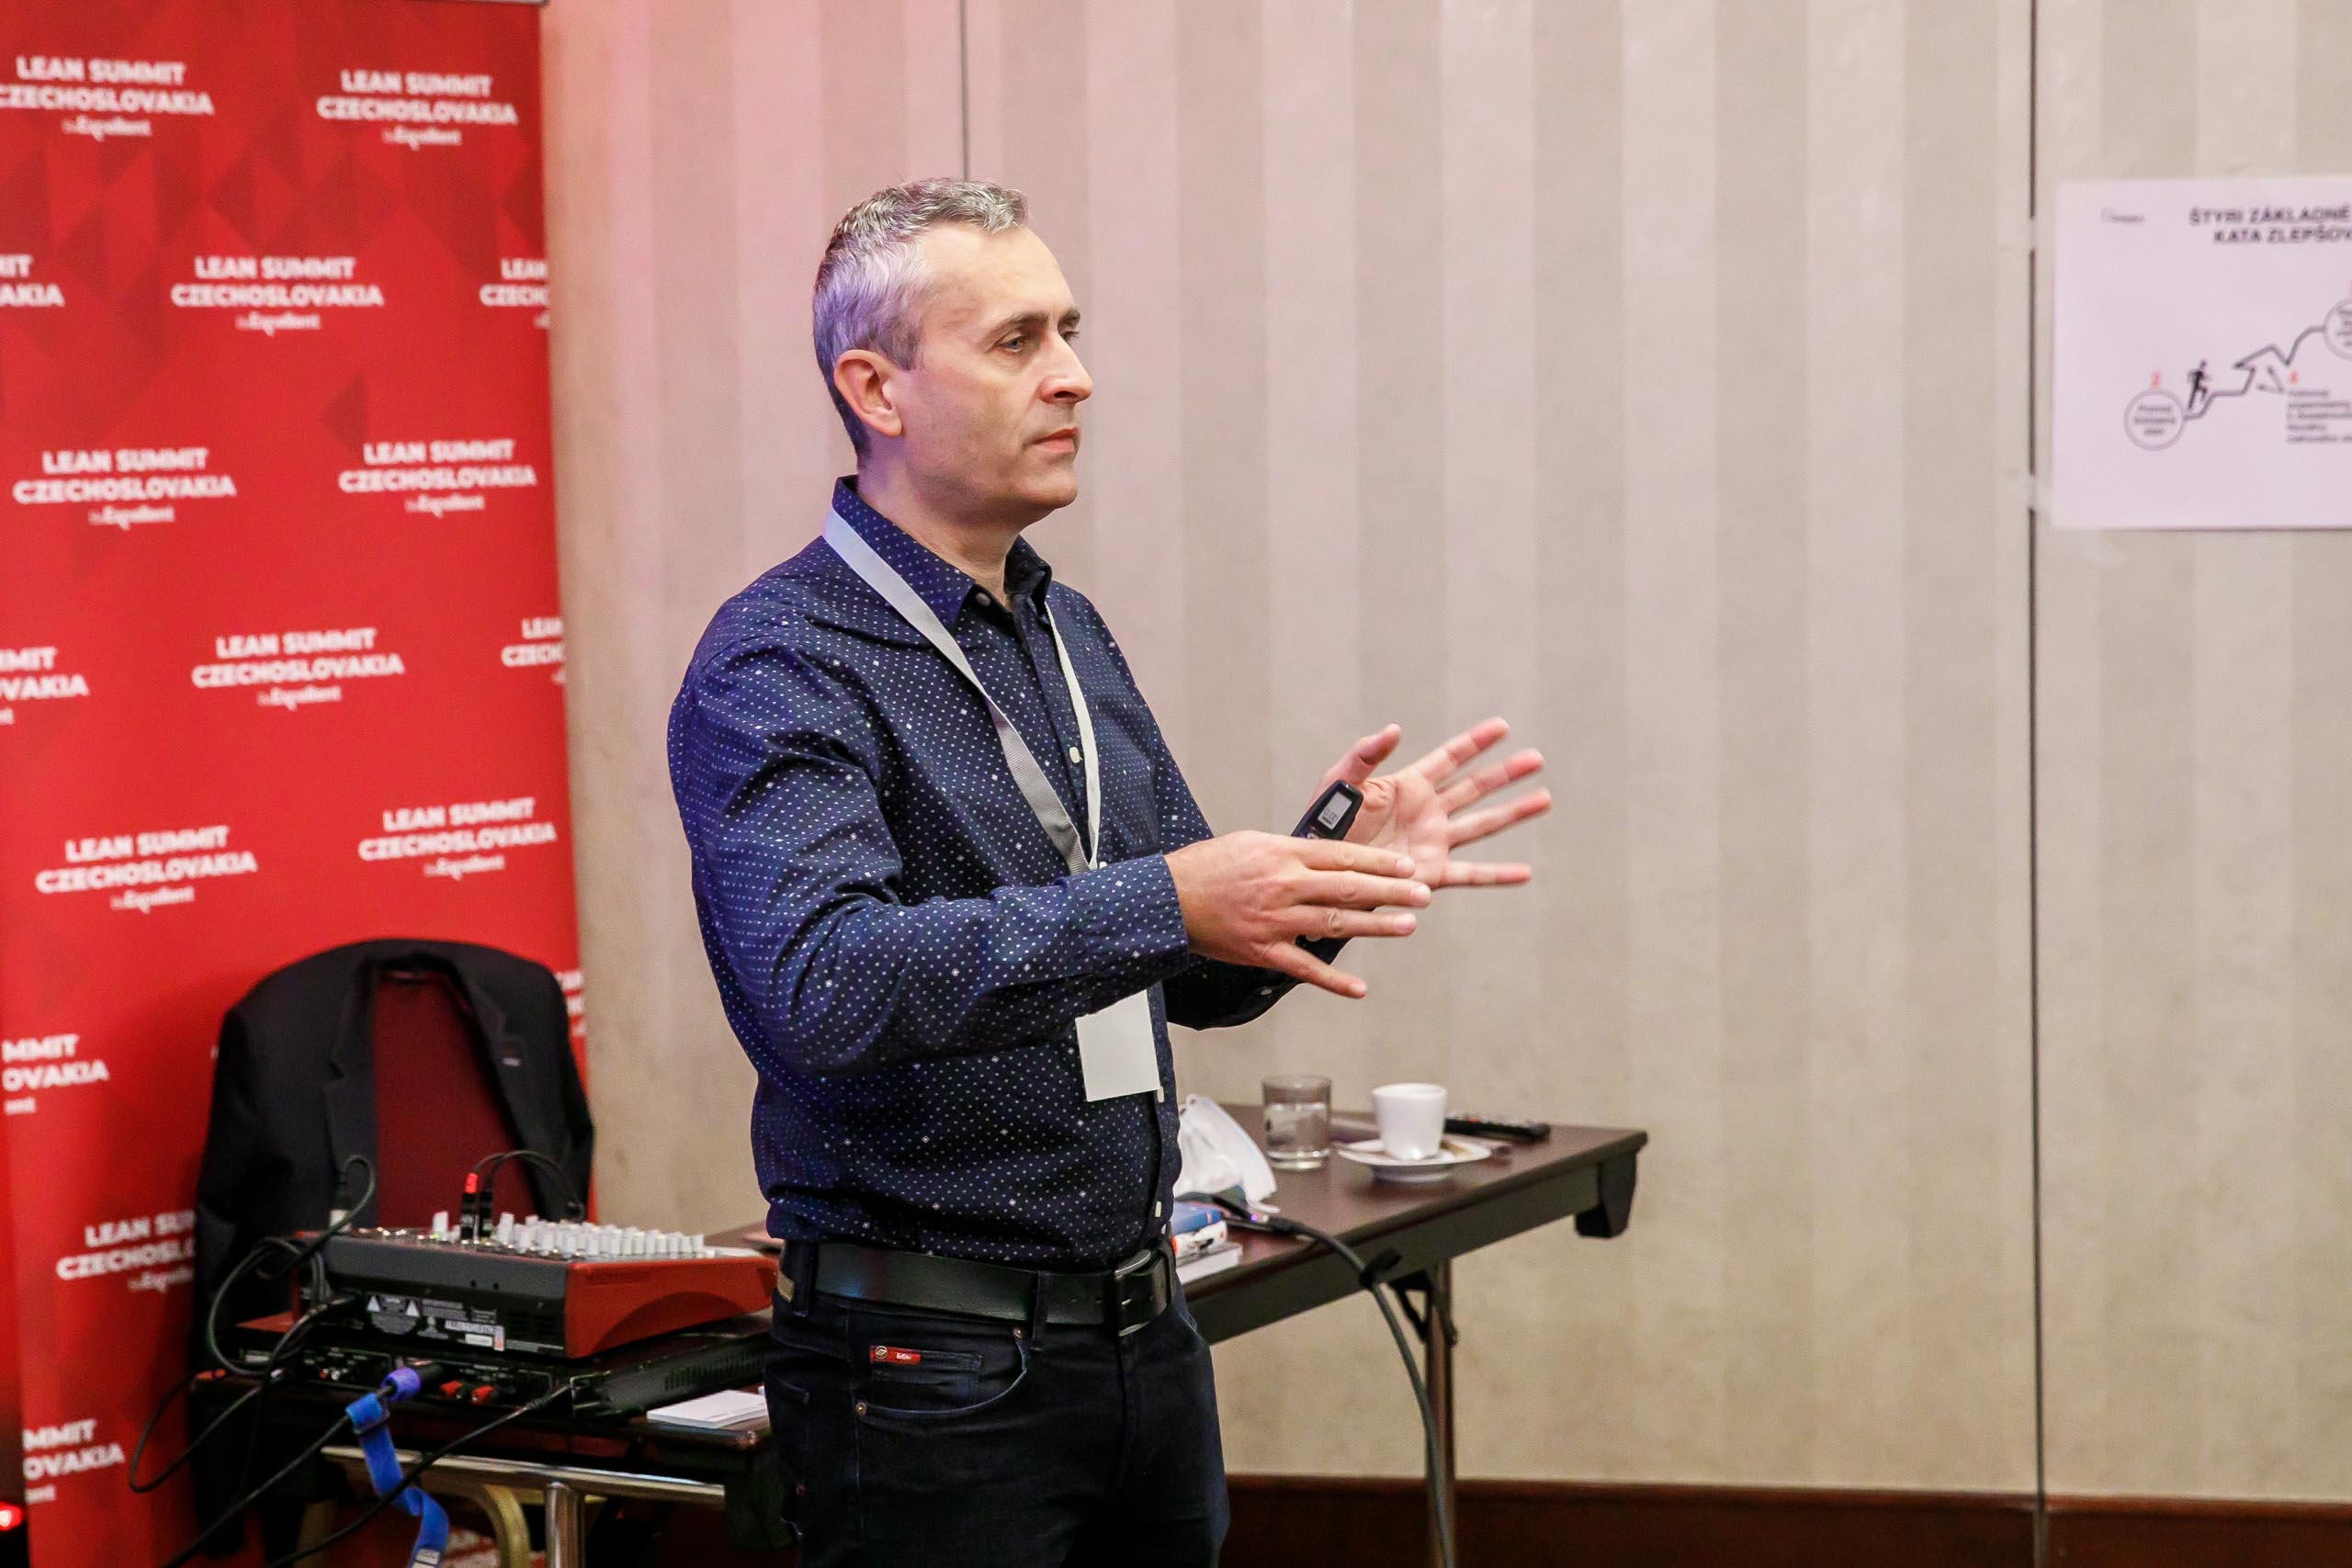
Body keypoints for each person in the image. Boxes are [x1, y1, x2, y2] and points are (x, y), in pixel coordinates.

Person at [666, 178, 1549, 1566]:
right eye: (1017, 341)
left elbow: (1188, 973)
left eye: (1068, 331)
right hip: (929, 1368)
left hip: (1143, 1335)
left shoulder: (1061, 626)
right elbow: (822, 986)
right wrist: (1175, 897)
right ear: (877, 390)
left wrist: (1329, 875)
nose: (1075, 376)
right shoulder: (783, 660)